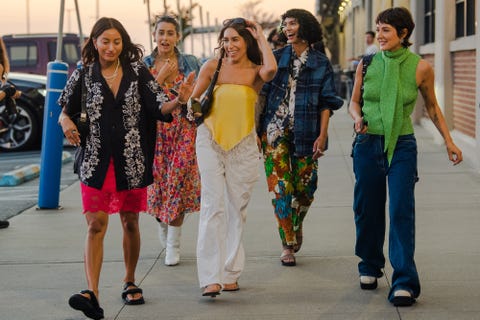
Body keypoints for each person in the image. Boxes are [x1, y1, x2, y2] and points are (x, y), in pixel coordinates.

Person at [58, 17, 195, 319]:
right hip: (94, 160)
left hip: (131, 159)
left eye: (116, 41)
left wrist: (179, 100)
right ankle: (91, 292)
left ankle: (129, 280)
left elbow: (159, 106)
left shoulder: (137, 72)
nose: (110, 47)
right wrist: (67, 124)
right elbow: (64, 110)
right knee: (95, 225)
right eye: (105, 41)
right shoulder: (83, 72)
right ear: (94, 42)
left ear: (124, 43)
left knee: (130, 221)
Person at [348, 7, 463, 307]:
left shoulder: (420, 67)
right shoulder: (367, 63)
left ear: (404, 34)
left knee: (401, 209)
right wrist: (357, 118)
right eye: (378, 29)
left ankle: (403, 281)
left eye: (386, 30)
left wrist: (449, 141)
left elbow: (433, 108)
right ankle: (370, 264)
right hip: (368, 142)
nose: (380, 35)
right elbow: (354, 103)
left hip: (402, 145)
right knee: (367, 208)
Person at [190, 17, 277, 297]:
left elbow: (272, 69)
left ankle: (230, 272)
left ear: (247, 41)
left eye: (235, 39)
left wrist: (261, 35)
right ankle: (210, 278)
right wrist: (187, 103)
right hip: (210, 141)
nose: (229, 45)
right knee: (212, 206)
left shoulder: (255, 71)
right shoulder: (211, 66)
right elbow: (194, 102)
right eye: (225, 40)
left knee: (236, 209)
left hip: (243, 145)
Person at [258, 9, 343, 267]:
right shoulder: (275, 58)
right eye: (285, 25)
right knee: (281, 189)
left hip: (308, 131)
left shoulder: (320, 62)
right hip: (274, 132)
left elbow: (327, 102)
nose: (287, 28)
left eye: (292, 23)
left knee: (306, 189)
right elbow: (261, 96)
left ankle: (294, 226)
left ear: (304, 26)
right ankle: (287, 244)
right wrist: (255, 131)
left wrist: (323, 133)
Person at [144, 15, 201, 266]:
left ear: (177, 36)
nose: (165, 38)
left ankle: (173, 247)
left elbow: (200, 100)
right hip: (155, 132)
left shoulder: (190, 63)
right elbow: (140, 102)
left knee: (177, 184)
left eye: (170, 33)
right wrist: (158, 78)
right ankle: (163, 225)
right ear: (154, 36)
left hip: (184, 130)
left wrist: (190, 101)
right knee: (158, 189)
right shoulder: (144, 64)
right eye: (161, 33)